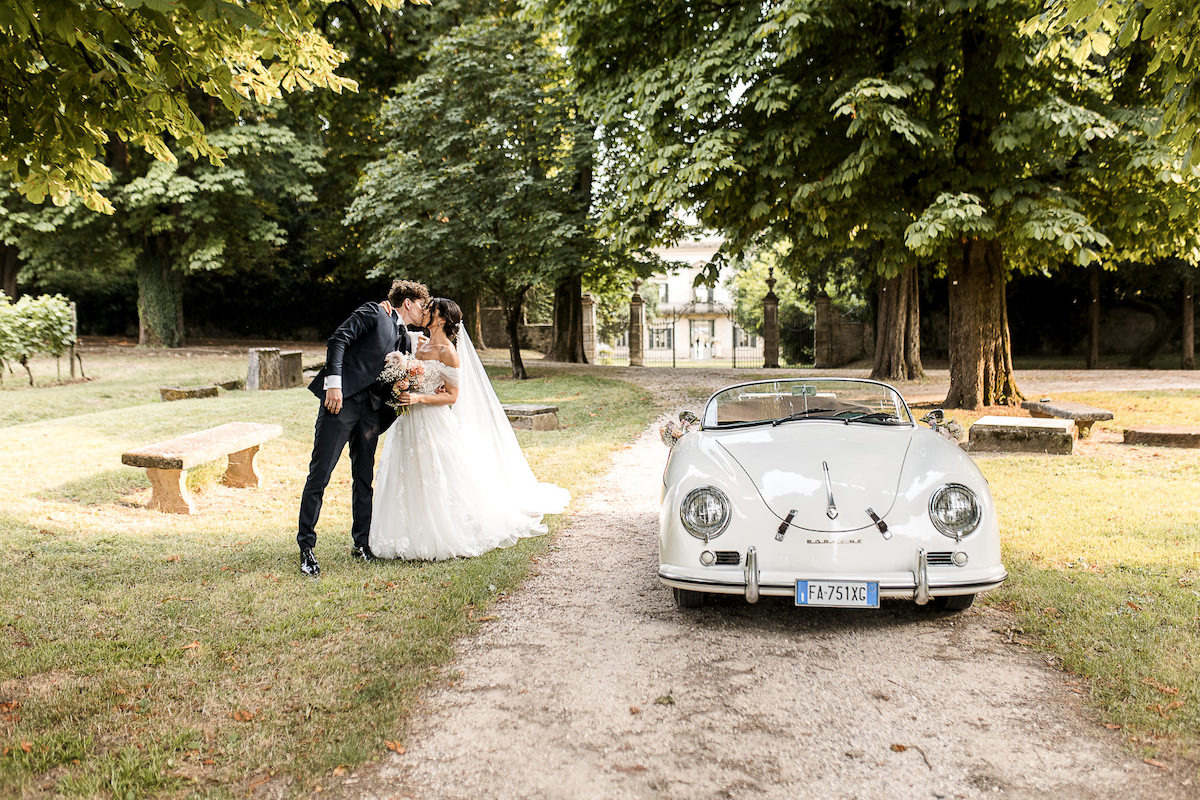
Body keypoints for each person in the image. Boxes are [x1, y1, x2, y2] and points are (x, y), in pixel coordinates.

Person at [369, 298, 569, 560]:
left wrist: (419, 398)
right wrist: (401, 385)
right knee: (405, 472)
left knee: (436, 474)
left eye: (431, 309)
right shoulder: (420, 343)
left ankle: (440, 530)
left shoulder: (448, 352)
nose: (425, 311)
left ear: (441, 319)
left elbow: (452, 396)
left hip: (431, 420)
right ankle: (402, 531)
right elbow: (406, 364)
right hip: (407, 422)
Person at [297, 279, 431, 576]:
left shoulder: (404, 336)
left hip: (370, 414)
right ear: (407, 302)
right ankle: (306, 547)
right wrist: (334, 385)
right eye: (422, 305)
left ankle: (361, 543)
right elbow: (338, 340)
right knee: (320, 474)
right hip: (341, 404)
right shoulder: (373, 312)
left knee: (363, 479)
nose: (425, 311)